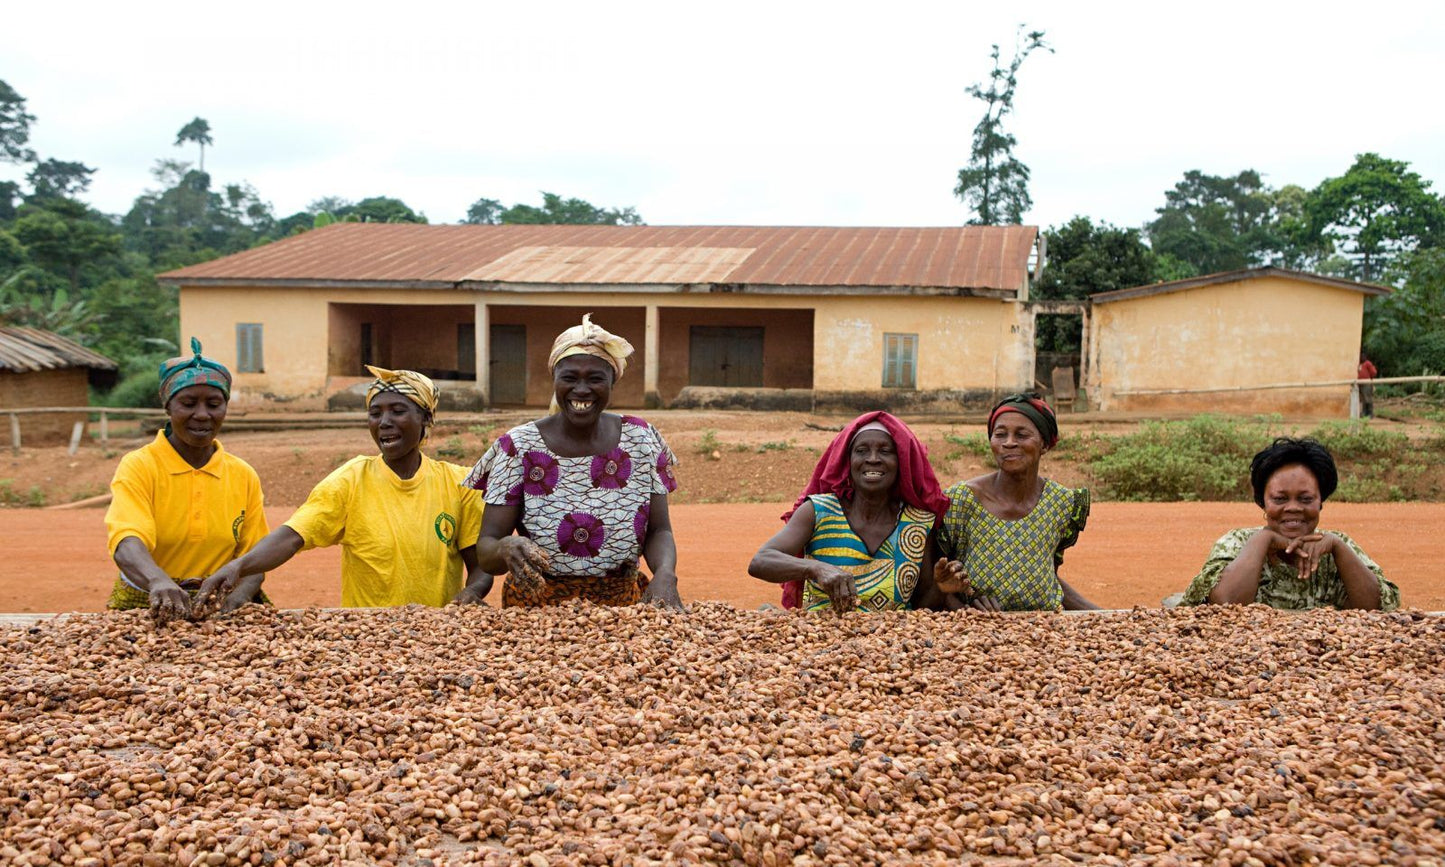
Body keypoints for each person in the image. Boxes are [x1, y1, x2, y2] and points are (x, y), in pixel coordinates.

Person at [197, 366, 488, 609]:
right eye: (375, 413)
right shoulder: (351, 480)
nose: (384, 422)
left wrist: (470, 594)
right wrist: (239, 566)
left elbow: (481, 564)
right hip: (366, 634)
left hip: (434, 632)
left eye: (398, 411)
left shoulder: (458, 483)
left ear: (425, 418)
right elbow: (293, 536)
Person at [464, 314, 682, 609]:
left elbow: (659, 530)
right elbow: (487, 547)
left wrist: (665, 574)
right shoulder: (518, 447)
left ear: (612, 383)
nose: (582, 390)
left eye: (595, 379)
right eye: (569, 378)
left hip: (624, 606)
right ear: (554, 379)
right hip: (535, 610)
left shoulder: (640, 439)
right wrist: (505, 548)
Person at [105, 338, 270, 623]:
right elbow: (126, 541)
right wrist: (158, 581)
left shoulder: (242, 474)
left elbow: (255, 557)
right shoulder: (140, 466)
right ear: (168, 407)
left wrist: (237, 599)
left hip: (224, 604)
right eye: (189, 403)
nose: (202, 414)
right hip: (149, 597)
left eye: (214, 404)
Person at [749, 412, 956, 613]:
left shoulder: (918, 525)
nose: (873, 459)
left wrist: (940, 589)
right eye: (861, 451)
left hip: (891, 643)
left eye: (885, 451)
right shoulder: (818, 511)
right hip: (818, 638)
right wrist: (816, 568)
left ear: (901, 461)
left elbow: (923, 607)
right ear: (848, 462)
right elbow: (761, 561)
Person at [1179, 437, 1400, 610]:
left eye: (1305, 499)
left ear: (1320, 501)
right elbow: (1224, 604)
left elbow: (1379, 608)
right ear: (1263, 502)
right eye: (1279, 499)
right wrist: (1264, 539)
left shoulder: (1339, 546)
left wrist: (1338, 548)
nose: (1293, 508)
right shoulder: (1237, 543)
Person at [934, 393, 1099, 611]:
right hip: (976, 629)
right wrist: (966, 609)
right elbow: (938, 579)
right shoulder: (961, 501)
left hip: (1044, 628)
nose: (1009, 443)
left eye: (1022, 435)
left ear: (1045, 445)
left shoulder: (1061, 503)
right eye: (1000, 435)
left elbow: (1047, 575)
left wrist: (1105, 616)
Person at [1357, 350, 1378, 419]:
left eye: (1363, 356)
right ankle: (1364, 412)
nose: (1361, 357)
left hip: (1367, 383)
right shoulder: (1360, 365)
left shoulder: (1367, 363)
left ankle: (1370, 413)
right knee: (1363, 399)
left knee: (1368, 398)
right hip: (1361, 384)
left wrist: (1370, 379)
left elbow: (1373, 372)